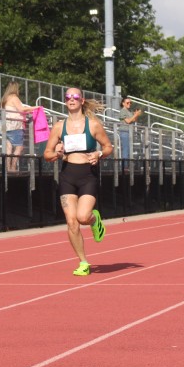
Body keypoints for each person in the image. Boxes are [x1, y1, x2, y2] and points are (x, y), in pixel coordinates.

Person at [43, 87, 113, 276]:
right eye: (68, 97)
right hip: (68, 175)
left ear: (82, 101)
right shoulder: (59, 126)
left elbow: (108, 147)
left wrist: (99, 154)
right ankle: (83, 262)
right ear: (65, 101)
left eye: (75, 96)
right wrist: (56, 153)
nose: (71, 99)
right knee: (71, 222)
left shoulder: (93, 125)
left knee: (82, 217)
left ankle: (94, 220)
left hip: (87, 175)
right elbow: (47, 154)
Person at [0, 81, 34, 173]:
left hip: (5, 126)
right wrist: (35, 108)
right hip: (15, 125)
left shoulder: (4, 98)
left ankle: (8, 168)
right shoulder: (14, 97)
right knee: (19, 147)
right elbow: (21, 109)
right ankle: (13, 167)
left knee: (8, 148)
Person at [118, 96, 143, 161]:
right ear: (123, 103)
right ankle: (125, 165)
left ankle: (127, 164)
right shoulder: (123, 111)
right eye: (127, 103)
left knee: (129, 150)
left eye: (130, 103)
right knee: (126, 150)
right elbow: (128, 121)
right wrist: (135, 115)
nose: (129, 104)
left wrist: (136, 114)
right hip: (124, 132)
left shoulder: (129, 111)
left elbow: (134, 120)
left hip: (129, 132)